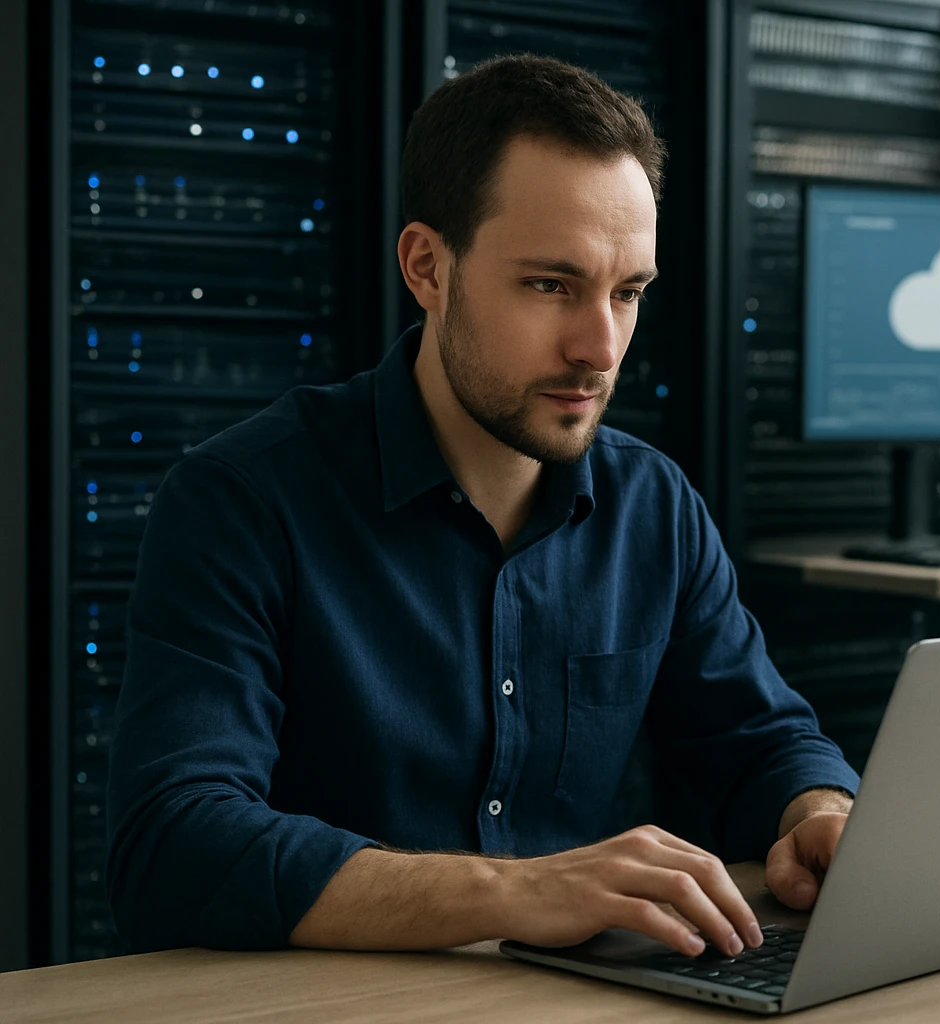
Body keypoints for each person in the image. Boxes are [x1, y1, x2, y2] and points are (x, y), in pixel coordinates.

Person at [106, 55, 858, 958]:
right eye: (551, 285)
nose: (600, 346)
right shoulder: (243, 501)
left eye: (628, 294)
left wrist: (819, 809)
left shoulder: (652, 503)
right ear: (428, 267)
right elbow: (174, 847)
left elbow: (758, 738)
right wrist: (514, 892)